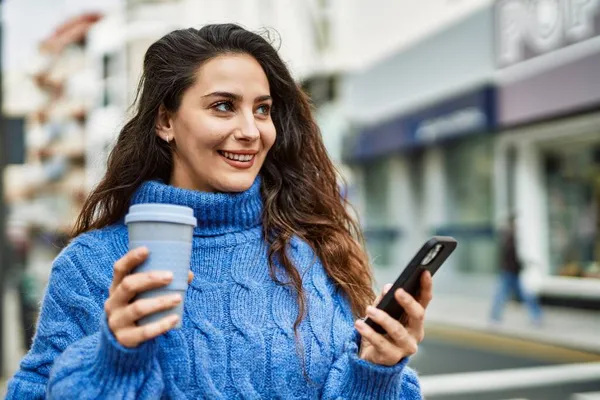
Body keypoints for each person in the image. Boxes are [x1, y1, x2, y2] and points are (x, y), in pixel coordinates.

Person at [7, 24, 432, 399]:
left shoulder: (317, 252)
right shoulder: (89, 266)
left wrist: (375, 371)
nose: (250, 131)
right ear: (165, 122)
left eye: (262, 109)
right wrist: (113, 356)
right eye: (223, 106)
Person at [490, 215, 542, 326]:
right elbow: (512, 257)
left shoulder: (509, 237)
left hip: (511, 272)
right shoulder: (510, 238)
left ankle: (536, 316)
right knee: (517, 295)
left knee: (508, 295)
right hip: (510, 272)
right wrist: (523, 264)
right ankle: (536, 316)